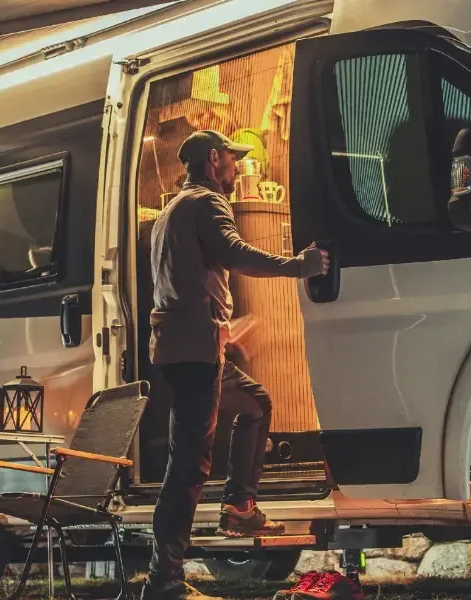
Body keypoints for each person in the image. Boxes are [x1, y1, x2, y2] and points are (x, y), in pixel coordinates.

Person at [141, 130, 330, 600]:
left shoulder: (170, 211)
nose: (236, 168)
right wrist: (297, 266)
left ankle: (240, 505)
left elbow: (188, 280)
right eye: (232, 160)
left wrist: (222, 324)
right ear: (213, 160)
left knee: (257, 404)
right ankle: (163, 581)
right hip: (195, 350)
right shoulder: (206, 203)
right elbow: (235, 254)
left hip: (188, 345)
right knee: (187, 466)